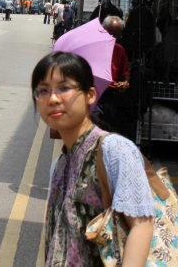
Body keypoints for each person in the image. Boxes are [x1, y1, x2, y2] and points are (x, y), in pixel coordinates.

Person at [33, 52, 154, 266]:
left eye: (64, 88)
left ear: (90, 95)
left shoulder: (114, 150)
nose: (52, 98)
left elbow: (141, 225)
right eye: (43, 90)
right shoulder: (59, 165)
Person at [95, 16, 135, 141]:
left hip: (111, 96)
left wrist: (125, 83)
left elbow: (126, 73)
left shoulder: (119, 50)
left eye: (117, 35)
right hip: (94, 95)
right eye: (111, 33)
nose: (113, 37)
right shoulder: (94, 47)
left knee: (111, 133)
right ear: (103, 30)